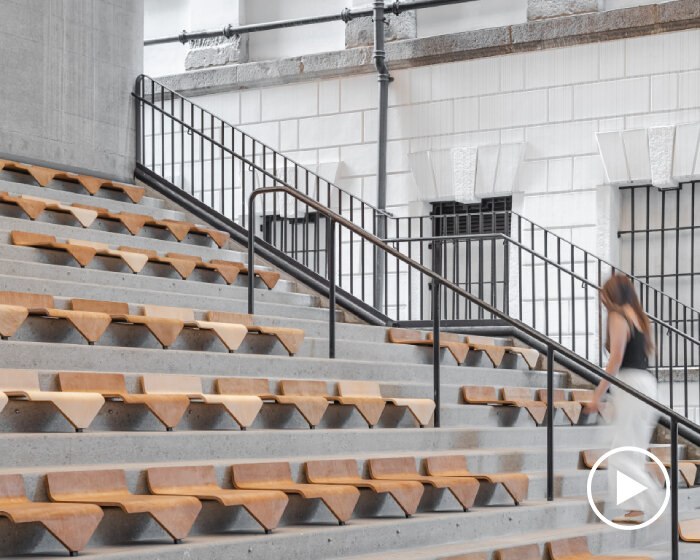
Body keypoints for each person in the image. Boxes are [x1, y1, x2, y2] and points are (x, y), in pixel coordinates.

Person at [585, 274, 662, 524]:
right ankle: (636, 508)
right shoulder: (639, 316)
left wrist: (598, 395)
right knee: (632, 449)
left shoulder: (617, 315)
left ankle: (654, 499)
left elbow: (615, 359)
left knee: (619, 453)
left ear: (612, 294)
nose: (601, 297)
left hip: (630, 384)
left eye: (604, 292)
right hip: (645, 383)